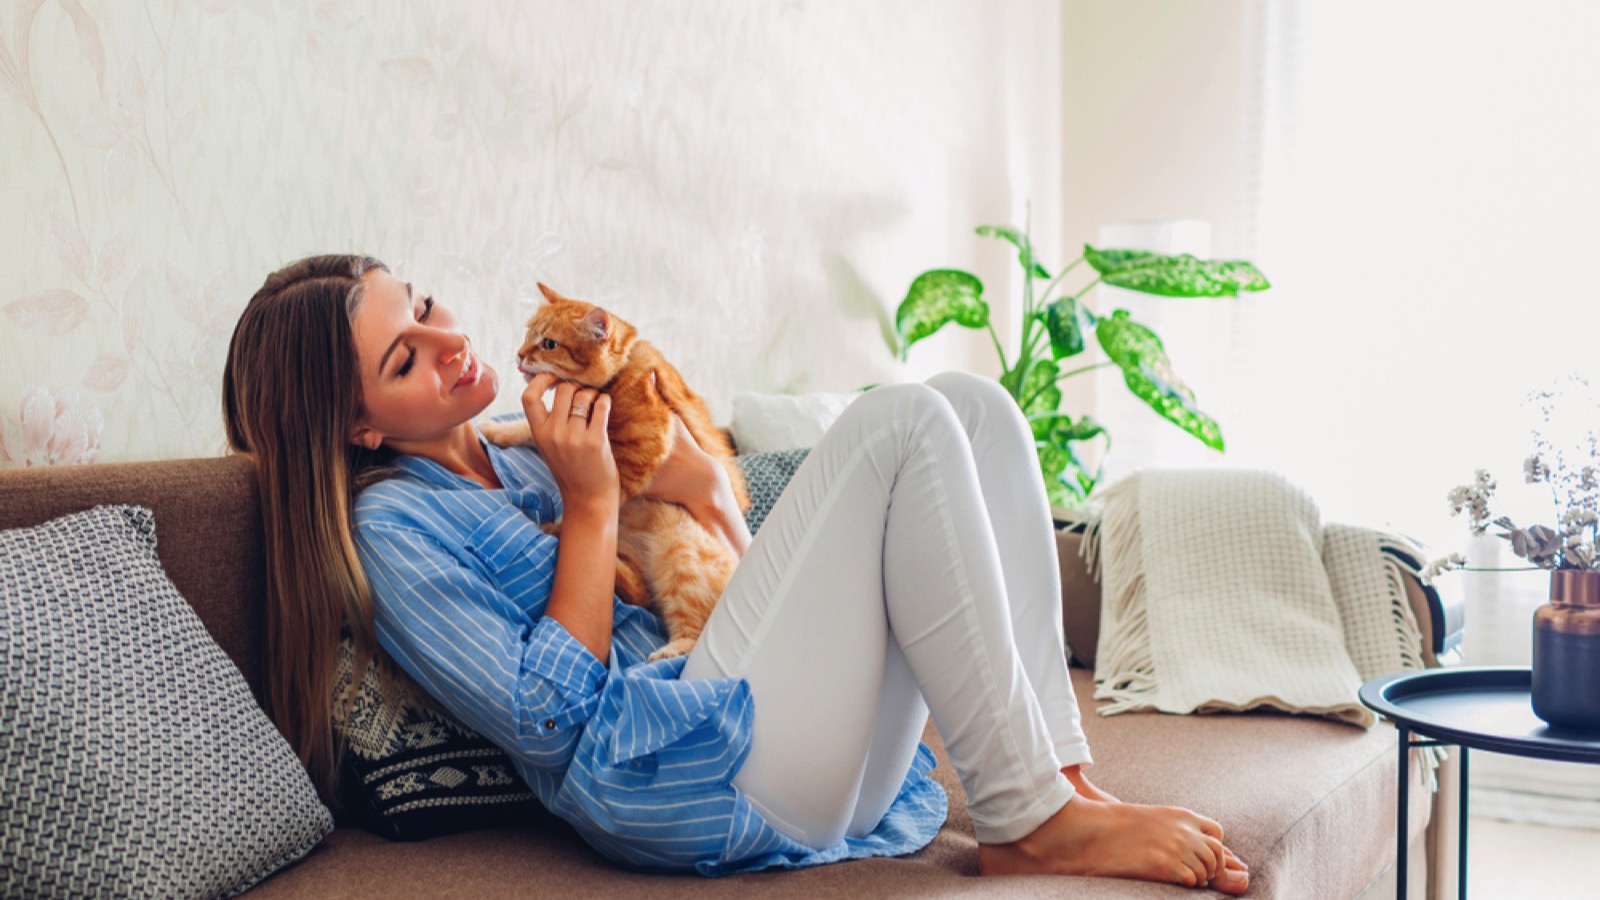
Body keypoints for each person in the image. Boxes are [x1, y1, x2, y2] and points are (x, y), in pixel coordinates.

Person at [223, 254, 1249, 892]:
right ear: (356, 426)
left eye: (430, 306)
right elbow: (545, 723)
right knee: (901, 422)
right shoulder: (391, 528)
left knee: (974, 406)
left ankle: (1055, 782)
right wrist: (592, 508)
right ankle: (1032, 826)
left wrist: (682, 475)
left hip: (753, 708)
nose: (449, 341)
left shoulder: (514, 447)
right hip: (671, 774)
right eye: (404, 358)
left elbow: (721, 533)